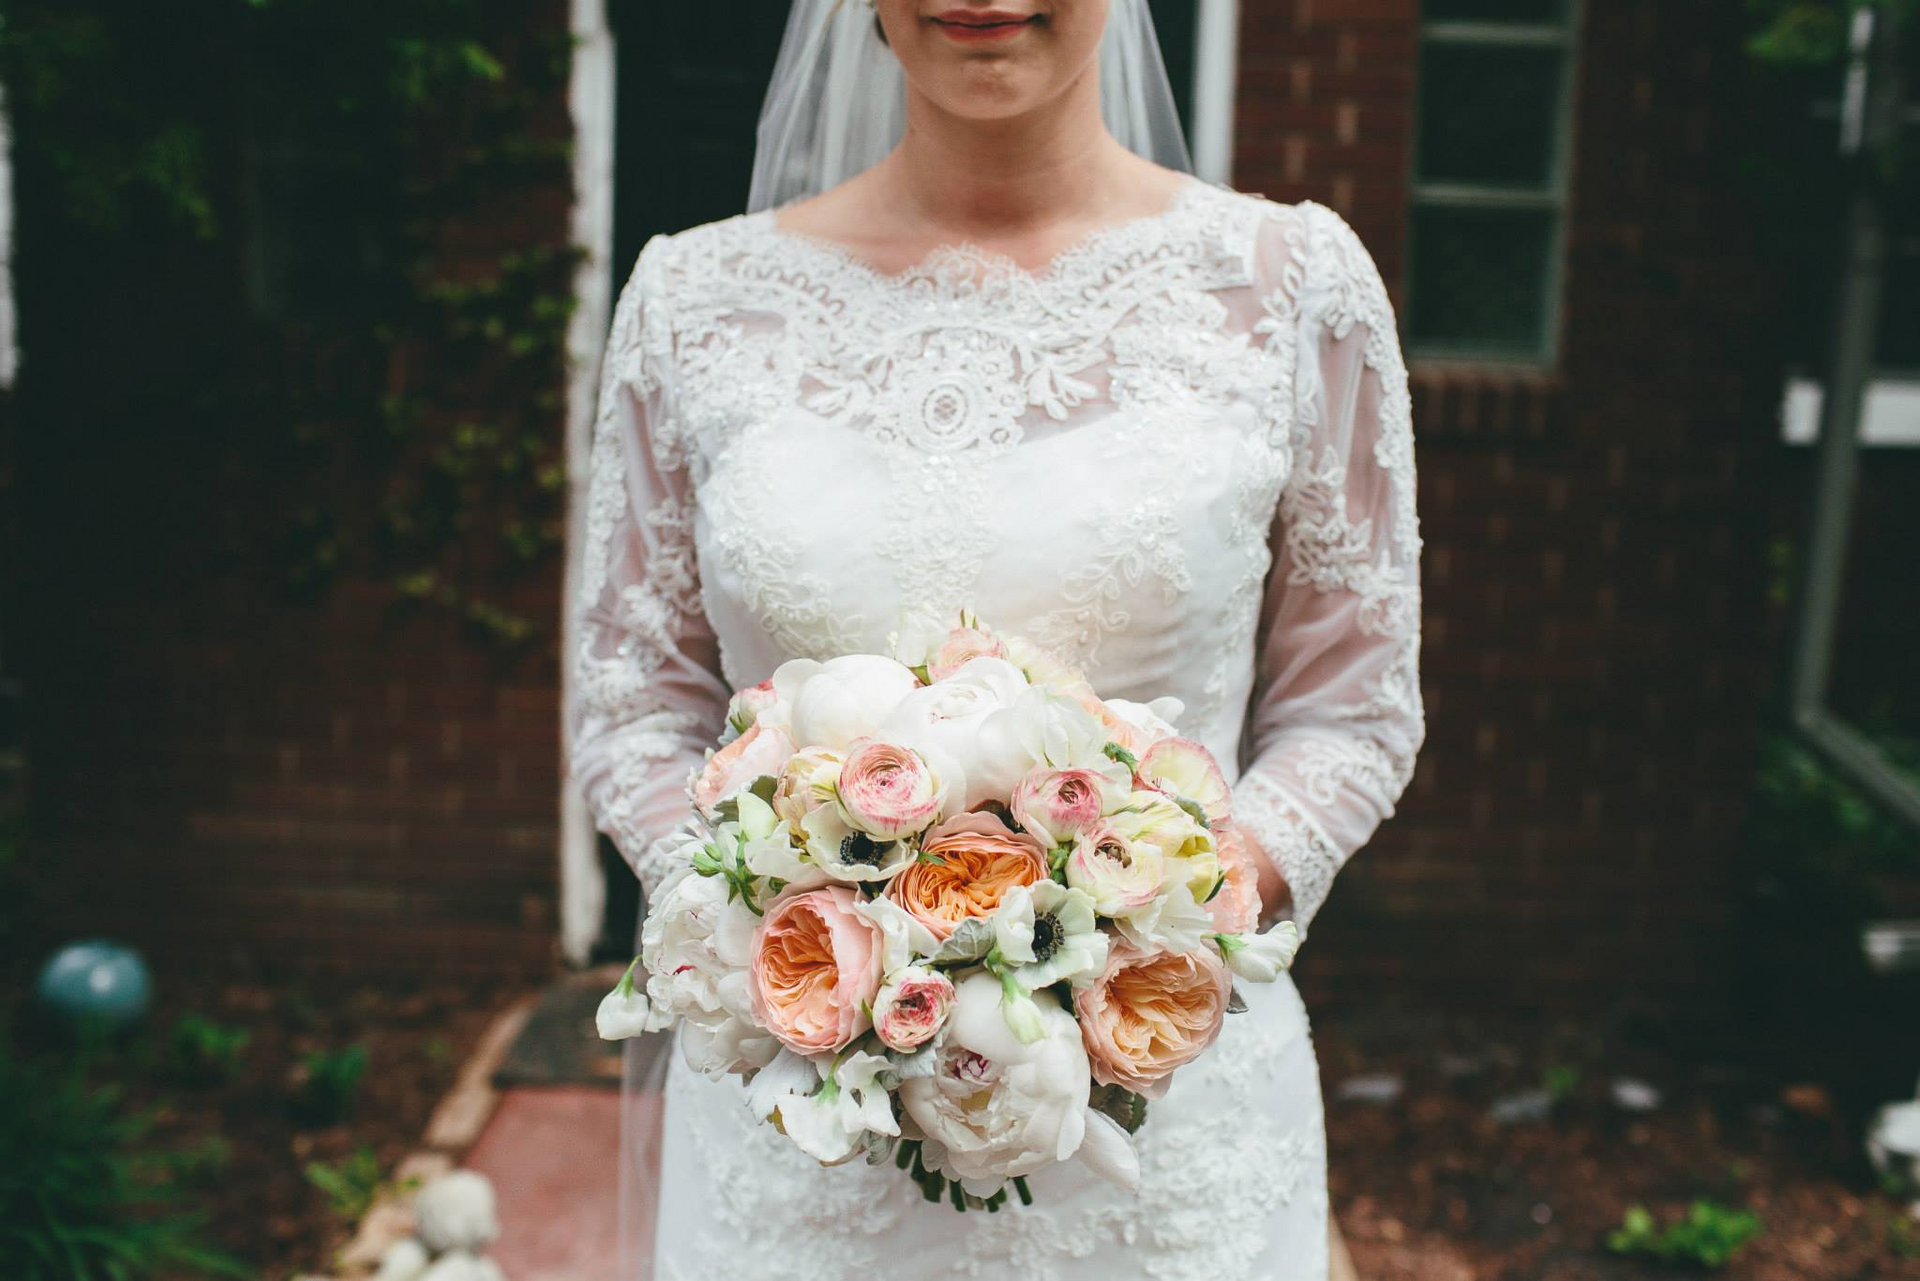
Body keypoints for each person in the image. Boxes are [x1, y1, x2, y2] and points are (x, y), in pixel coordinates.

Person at [565, 1, 1425, 1276]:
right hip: (800, 1150)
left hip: (1166, 1127)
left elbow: (1354, 705)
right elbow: (635, 700)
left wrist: (1165, 914)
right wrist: (781, 933)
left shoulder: (1291, 290)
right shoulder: (694, 304)